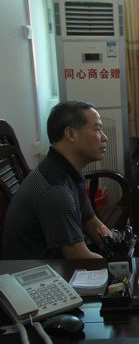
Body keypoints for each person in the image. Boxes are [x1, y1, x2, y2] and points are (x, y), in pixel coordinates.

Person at [4, 102, 112, 259]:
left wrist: (120, 246)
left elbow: (91, 221)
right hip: (41, 270)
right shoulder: (55, 191)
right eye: (97, 129)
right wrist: (120, 266)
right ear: (71, 134)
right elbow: (80, 258)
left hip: (63, 262)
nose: (104, 137)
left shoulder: (66, 170)